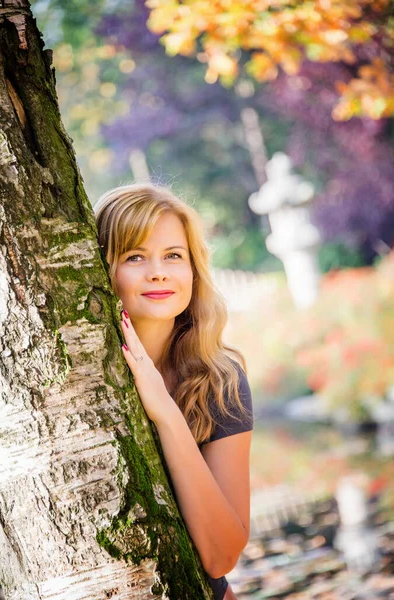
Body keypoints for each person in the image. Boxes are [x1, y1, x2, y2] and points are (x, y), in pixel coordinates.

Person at [93, 183, 254, 600]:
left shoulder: (220, 379)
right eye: (134, 256)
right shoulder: (81, 379)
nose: (158, 272)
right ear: (101, 268)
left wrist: (165, 412)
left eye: (173, 256)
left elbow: (222, 557)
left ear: (193, 269)